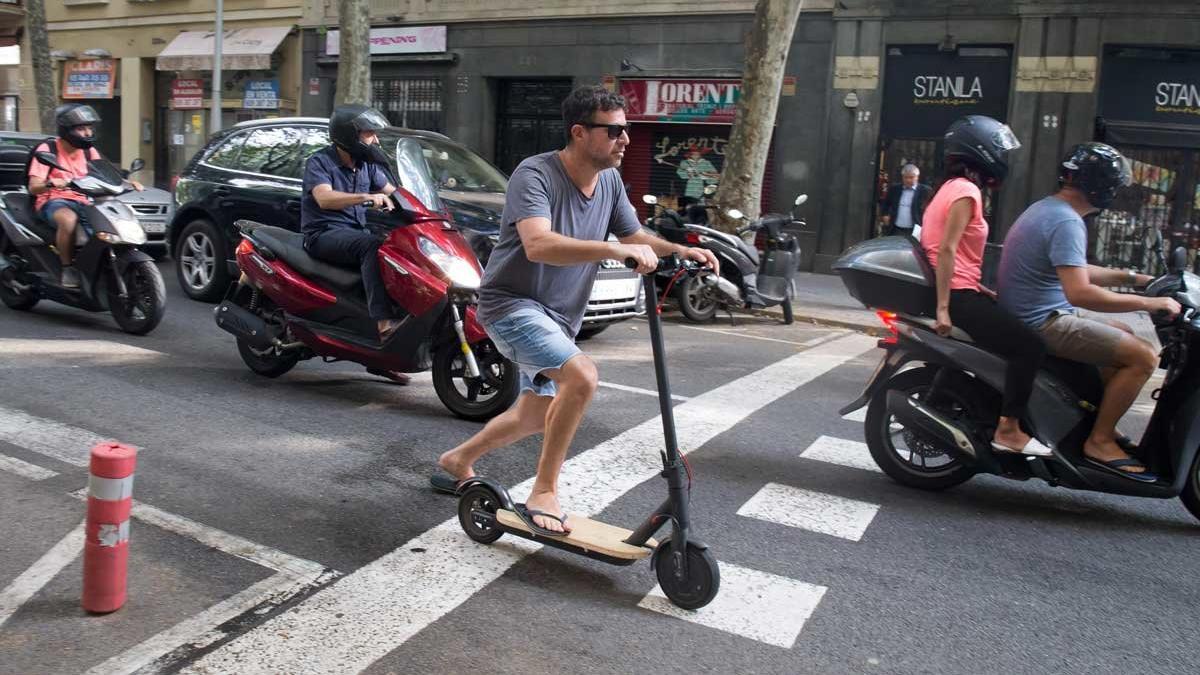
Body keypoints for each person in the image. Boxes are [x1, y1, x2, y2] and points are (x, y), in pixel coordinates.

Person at [433, 85, 718, 534]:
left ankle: (458, 459)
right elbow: (538, 244)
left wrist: (678, 249)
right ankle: (544, 490)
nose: (626, 139)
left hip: (559, 316)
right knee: (581, 376)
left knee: (533, 413)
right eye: (616, 131)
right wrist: (613, 251)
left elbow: (633, 237)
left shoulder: (608, 182)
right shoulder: (536, 174)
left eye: (627, 130)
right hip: (511, 304)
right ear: (580, 132)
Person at [998, 143, 1181, 482]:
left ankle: (1099, 425)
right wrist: (1150, 303)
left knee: (1123, 335)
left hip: (1037, 312)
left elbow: (1075, 269)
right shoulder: (1066, 221)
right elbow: (1080, 292)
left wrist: (1136, 279)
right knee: (1143, 357)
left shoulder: (1049, 209)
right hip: (1043, 322)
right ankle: (1098, 441)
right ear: (1101, 186)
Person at [920, 115, 1050, 457]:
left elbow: (952, 250)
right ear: (981, 151)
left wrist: (980, 288)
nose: (1003, 159)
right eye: (999, 151)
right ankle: (1008, 428)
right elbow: (946, 249)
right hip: (957, 295)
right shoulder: (967, 191)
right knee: (1031, 346)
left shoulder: (948, 188)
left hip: (964, 289)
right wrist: (944, 308)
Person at [301, 104, 402, 345]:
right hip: (323, 234)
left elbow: (395, 194)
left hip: (354, 233)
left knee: (395, 249)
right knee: (372, 246)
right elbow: (324, 198)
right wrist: (366, 197)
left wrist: (427, 210)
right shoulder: (320, 162)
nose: (375, 140)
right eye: (369, 133)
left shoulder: (367, 166)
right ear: (349, 135)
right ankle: (384, 324)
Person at [28, 104, 143, 289]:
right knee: (68, 220)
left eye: (89, 128)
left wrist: (127, 183)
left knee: (108, 222)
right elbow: (34, 187)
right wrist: (50, 183)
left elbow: (104, 173)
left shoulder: (89, 151)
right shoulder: (48, 149)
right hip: (54, 200)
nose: (88, 133)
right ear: (67, 130)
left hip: (85, 199)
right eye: (81, 128)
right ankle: (67, 268)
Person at [880, 164, 932, 238]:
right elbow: (886, 204)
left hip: (916, 230)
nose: (908, 180)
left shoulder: (925, 191)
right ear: (902, 177)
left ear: (917, 177)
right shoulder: (894, 189)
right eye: (906, 177)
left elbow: (931, 209)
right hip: (896, 229)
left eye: (911, 177)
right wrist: (885, 215)